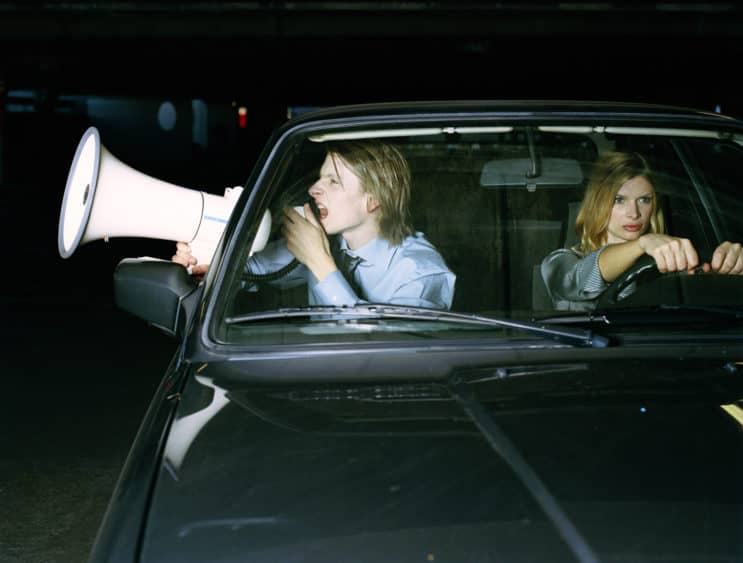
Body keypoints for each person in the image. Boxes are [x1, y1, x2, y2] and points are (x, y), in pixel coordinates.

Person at [173, 139, 456, 309]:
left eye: (333, 181)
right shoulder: (329, 239)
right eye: (320, 178)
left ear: (373, 200)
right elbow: (256, 270)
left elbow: (387, 356)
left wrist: (320, 262)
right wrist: (209, 263)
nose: (313, 190)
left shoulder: (420, 274)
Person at [541, 151, 743, 311]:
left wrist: (730, 267)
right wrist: (641, 244)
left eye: (644, 200)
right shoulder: (559, 263)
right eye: (619, 200)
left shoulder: (668, 265)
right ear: (598, 204)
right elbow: (580, 280)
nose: (634, 213)